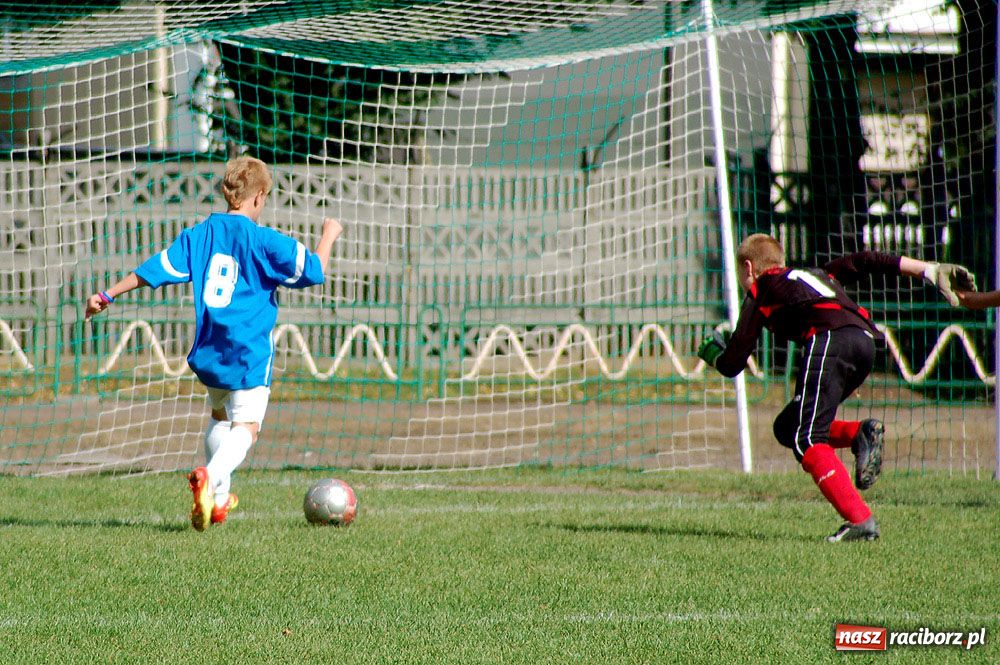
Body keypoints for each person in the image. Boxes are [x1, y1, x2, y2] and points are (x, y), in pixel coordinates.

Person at [85, 156, 343, 531]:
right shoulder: (264, 241)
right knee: (248, 427)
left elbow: (151, 270)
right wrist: (329, 233)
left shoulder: (199, 235)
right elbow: (314, 270)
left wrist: (106, 295)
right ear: (258, 198)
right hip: (247, 354)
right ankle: (210, 475)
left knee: (220, 417)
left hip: (209, 353)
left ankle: (218, 502)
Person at [697, 234, 975, 542]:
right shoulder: (818, 274)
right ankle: (860, 434)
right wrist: (929, 269)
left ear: (748, 268)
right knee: (788, 427)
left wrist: (712, 352)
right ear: (781, 261)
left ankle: (860, 521)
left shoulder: (761, 287)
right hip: (865, 344)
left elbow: (733, 362)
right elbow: (864, 260)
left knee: (807, 438)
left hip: (830, 339)